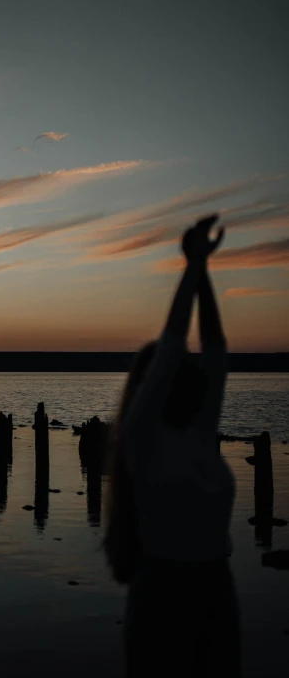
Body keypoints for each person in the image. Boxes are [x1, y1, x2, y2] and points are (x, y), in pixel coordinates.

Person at [103, 215, 241, 677]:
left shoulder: (201, 432)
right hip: (164, 593)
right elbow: (173, 345)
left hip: (218, 589)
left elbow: (218, 350)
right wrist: (191, 265)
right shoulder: (143, 437)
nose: (190, 371)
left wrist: (203, 271)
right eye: (178, 368)